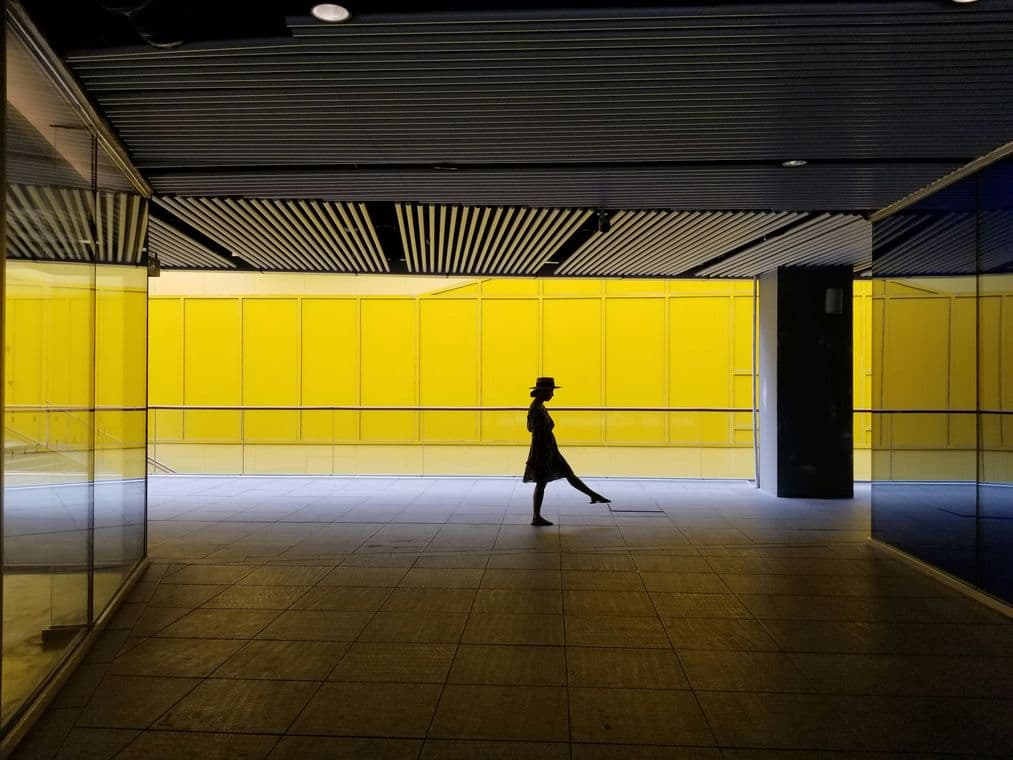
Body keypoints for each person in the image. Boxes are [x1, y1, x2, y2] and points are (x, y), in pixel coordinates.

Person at [523, 377, 610, 526]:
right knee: (547, 480)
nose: (552, 395)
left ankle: (593, 495)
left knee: (564, 475)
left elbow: (530, 428)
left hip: (549, 449)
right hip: (544, 451)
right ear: (543, 392)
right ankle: (536, 516)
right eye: (550, 392)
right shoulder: (537, 409)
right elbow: (535, 432)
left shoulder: (538, 406)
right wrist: (540, 455)